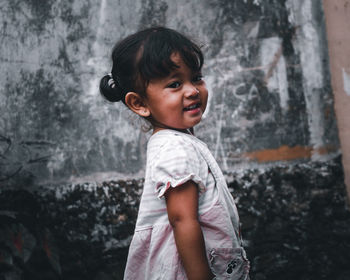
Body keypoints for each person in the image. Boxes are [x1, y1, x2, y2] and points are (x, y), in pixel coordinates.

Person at [99, 26, 250, 280]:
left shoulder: (175, 140)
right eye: (175, 84)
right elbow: (183, 220)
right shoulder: (175, 148)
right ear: (140, 103)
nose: (192, 90)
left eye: (197, 78)